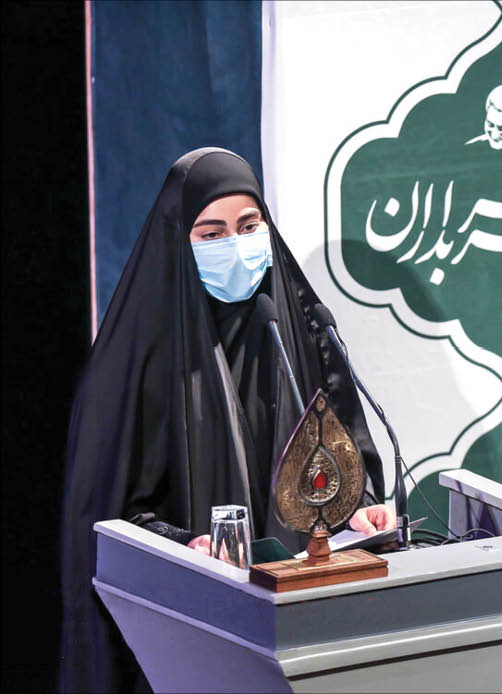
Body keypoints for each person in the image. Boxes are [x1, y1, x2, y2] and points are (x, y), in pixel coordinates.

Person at [59, 148, 395, 692]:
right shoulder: (134, 364)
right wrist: (185, 543)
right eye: (212, 234)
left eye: (249, 225)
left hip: (305, 633)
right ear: (178, 241)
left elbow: (342, 457)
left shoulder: (302, 333)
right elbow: (108, 521)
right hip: (187, 636)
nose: (235, 245)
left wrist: (359, 511)